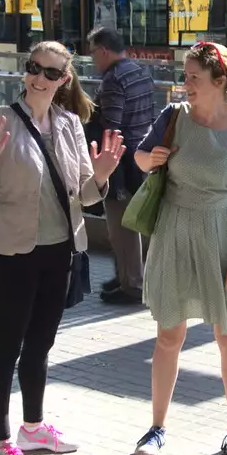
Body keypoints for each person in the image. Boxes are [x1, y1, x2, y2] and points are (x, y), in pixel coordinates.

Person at [0, 41, 125, 455]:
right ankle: (0, 444)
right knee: (6, 348)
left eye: (51, 73)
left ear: (63, 81)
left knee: (40, 345)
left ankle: (33, 428)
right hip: (13, 252)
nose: (39, 78)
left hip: (61, 250)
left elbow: (84, 196)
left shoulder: (70, 124)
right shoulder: (0, 123)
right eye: (34, 68)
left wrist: (103, 175)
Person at [132, 42, 227, 455]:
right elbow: (139, 158)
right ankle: (156, 428)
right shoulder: (172, 118)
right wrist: (147, 158)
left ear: (220, 81)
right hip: (175, 231)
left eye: (193, 77)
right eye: (185, 75)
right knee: (169, 334)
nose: (185, 83)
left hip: (226, 235)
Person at [88, 25, 158, 305]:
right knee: (126, 223)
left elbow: (111, 126)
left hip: (119, 161)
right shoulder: (140, 71)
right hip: (141, 157)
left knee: (121, 225)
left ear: (104, 50)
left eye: (93, 52)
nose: (92, 59)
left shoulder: (113, 79)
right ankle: (124, 277)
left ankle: (132, 285)